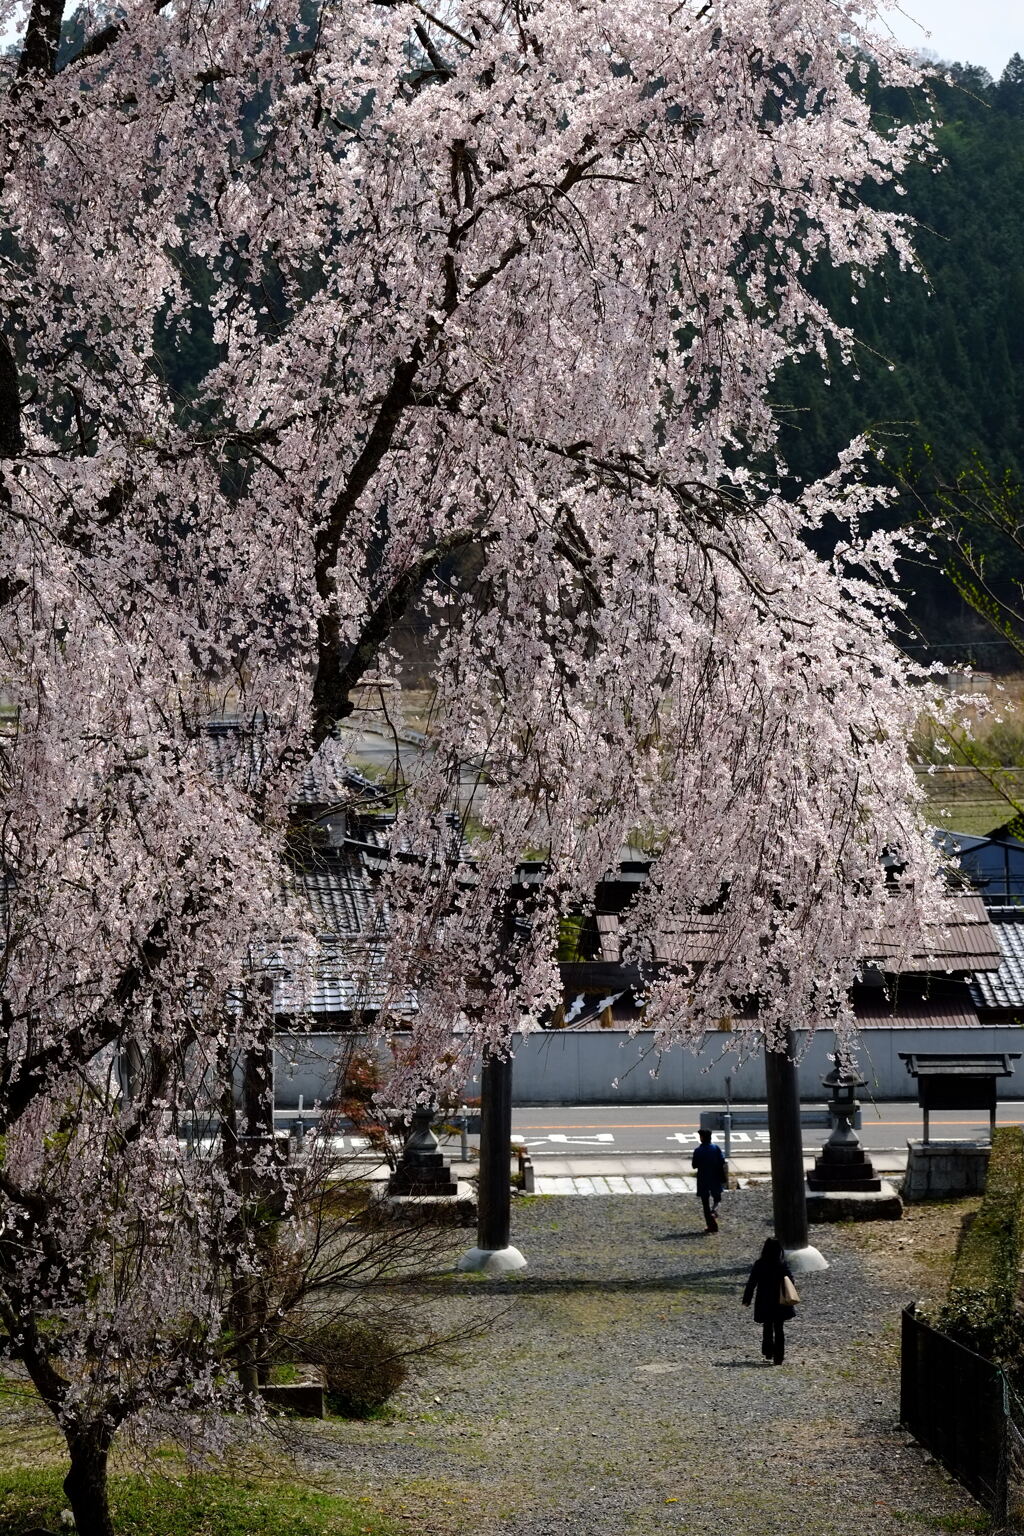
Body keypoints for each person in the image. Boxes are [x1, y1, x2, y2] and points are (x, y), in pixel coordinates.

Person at [742, 1236, 797, 1364]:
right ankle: (779, 1357)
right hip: (780, 1301)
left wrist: (747, 1299)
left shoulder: (759, 1264)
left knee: (767, 1326)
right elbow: (791, 1280)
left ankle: (768, 1351)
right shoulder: (782, 1265)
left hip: (764, 1300)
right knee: (779, 1328)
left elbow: (751, 1283)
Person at [690, 1127, 727, 1232]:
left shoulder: (698, 1150)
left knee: (705, 1203)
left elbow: (694, 1165)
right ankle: (714, 1211)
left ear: (701, 1138)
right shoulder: (716, 1148)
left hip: (703, 1179)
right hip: (715, 1178)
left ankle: (711, 1226)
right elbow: (722, 1161)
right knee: (717, 1199)